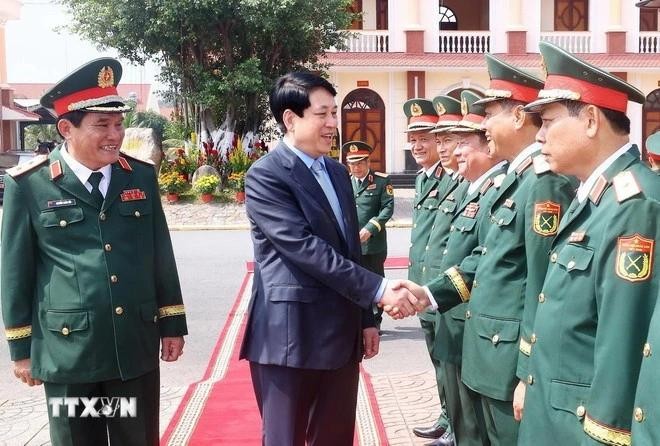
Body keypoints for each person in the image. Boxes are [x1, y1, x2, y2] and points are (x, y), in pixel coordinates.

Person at [0, 58, 187, 446]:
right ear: (66, 128)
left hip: (132, 349)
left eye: (117, 124)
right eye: (101, 125)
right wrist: (21, 348)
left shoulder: (140, 176)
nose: (114, 135)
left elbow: (160, 255)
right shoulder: (31, 185)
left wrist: (171, 323)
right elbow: (16, 272)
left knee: (134, 438)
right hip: (70, 354)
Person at [401, 53, 576, 445]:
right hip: (488, 353)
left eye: (490, 113)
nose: (483, 124)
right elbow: (488, 260)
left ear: (517, 118)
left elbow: (542, 285)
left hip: (510, 360)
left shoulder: (543, 183)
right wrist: (430, 294)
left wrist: (529, 371)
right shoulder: (515, 181)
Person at [240, 71, 421, 446]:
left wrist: (365, 320)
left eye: (334, 113)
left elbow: (349, 251)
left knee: (335, 437)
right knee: (285, 438)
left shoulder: (338, 172)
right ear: (291, 119)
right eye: (322, 115)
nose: (333, 124)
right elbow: (305, 248)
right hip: (290, 336)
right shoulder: (266, 176)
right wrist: (380, 289)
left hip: (340, 335)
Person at [516, 41, 660, 446]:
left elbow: (624, 344)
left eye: (549, 121)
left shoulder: (636, 205)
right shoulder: (593, 197)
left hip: (583, 429)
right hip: (553, 415)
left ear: (592, 120)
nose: (539, 135)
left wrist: (604, 437)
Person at [428, 90, 507, 446]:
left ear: (488, 147)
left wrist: (428, 294)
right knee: (464, 426)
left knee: (477, 430)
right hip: (453, 319)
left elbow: (485, 260)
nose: (455, 152)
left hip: (472, 325)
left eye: (464, 143)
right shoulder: (470, 188)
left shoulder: (496, 191)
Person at [403, 98, 453, 443]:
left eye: (425, 138)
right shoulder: (422, 179)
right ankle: (445, 414)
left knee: (450, 361)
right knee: (437, 357)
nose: (418, 146)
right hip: (424, 283)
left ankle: (453, 422)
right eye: (413, 139)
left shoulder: (452, 179)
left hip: (444, 287)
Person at [344, 140, 394, 331]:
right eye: (352, 164)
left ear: (368, 162)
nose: (355, 168)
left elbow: (387, 208)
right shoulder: (346, 182)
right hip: (351, 243)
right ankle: (358, 318)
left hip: (373, 244)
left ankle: (375, 319)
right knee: (354, 279)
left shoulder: (381, 181)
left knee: (374, 280)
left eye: (359, 163)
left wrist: (370, 229)